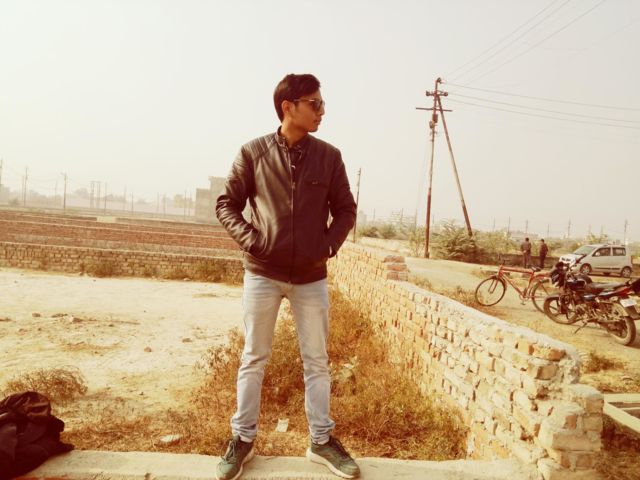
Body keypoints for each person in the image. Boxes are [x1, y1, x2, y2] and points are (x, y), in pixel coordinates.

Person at [215, 73, 359, 480]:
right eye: (315, 103)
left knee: (317, 361)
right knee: (253, 358)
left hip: (311, 277)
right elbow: (226, 204)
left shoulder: (329, 157)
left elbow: (346, 210)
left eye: (322, 103)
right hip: (263, 273)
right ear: (288, 107)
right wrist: (254, 241)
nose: (322, 111)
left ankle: (321, 441)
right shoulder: (253, 153)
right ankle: (243, 439)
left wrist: (326, 246)